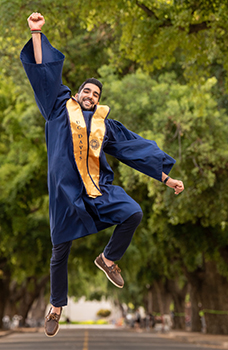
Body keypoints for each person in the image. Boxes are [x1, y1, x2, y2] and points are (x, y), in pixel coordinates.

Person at [20, 12, 184, 337]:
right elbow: (44, 74)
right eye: (87, 91)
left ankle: (108, 259)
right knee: (59, 250)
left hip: (97, 190)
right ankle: (55, 308)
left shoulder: (104, 126)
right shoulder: (57, 108)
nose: (90, 96)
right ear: (79, 92)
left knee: (133, 212)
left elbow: (134, 148)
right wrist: (37, 34)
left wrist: (165, 177)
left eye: (96, 94)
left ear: (98, 101)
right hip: (66, 193)